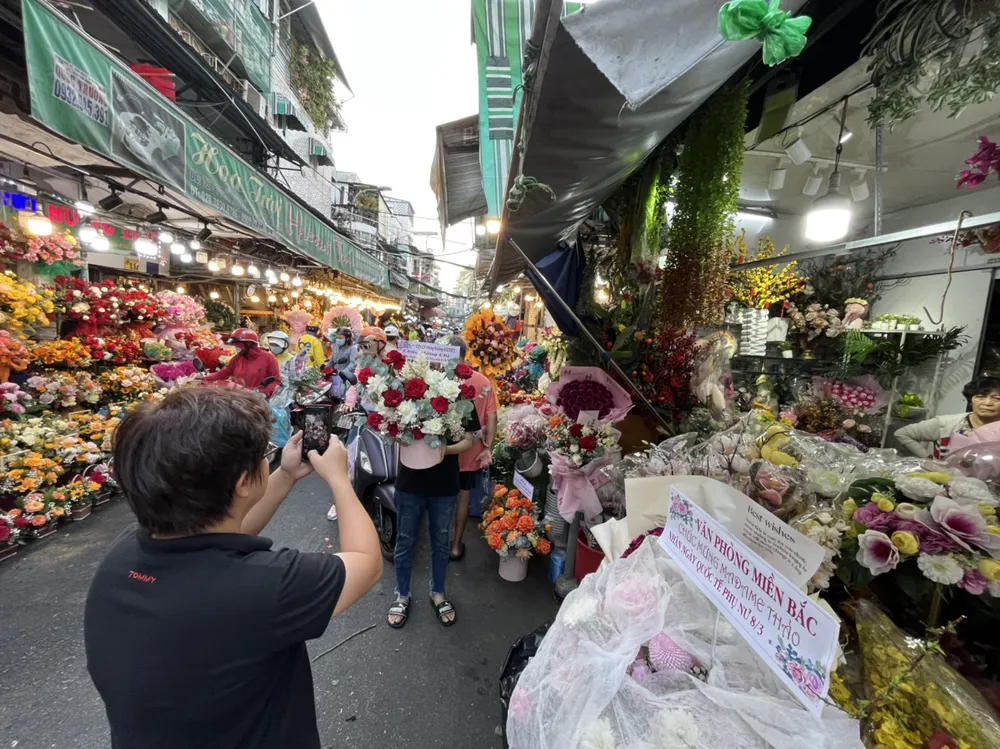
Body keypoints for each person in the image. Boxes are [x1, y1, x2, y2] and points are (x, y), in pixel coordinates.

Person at [84, 388, 383, 749]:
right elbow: (366, 563)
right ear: (243, 482)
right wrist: (339, 478)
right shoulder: (264, 586)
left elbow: (227, 525)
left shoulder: (125, 555)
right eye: (264, 456)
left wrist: (285, 475)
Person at [386, 360, 480, 630]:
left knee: (441, 543)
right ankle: (401, 595)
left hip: (444, 485)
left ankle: (438, 592)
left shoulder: (462, 399)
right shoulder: (405, 394)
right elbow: (393, 433)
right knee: (404, 542)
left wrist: (444, 451)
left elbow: (469, 440)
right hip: (410, 482)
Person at [450, 335, 497, 561]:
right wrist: (488, 446)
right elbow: (492, 418)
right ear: (464, 354)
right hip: (471, 450)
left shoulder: (439, 378)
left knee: (440, 497)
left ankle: (439, 544)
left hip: (442, 449)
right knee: (463, 497)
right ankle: (456, 546)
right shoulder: (482, 381)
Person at [895, 377, 1000, 458]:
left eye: (996, 398)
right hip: (947, 482)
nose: (987, 403)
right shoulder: (946, 424)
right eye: (980, 397)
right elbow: (902, 434)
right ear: (970, 399)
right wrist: (928, 459)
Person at [203, 328, 281, 398]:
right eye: (235, 345)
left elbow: (276, 380)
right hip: (239, 399)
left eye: (238, 345)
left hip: (259, 400)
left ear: (249, 344)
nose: (236, 347)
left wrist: (264, 393)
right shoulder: (237, 358)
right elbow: (224, 373)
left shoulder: (268, 358)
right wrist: (204, 379)